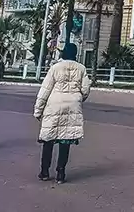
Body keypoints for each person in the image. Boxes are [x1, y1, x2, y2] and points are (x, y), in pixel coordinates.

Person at [35, 42, 91, 184]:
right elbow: (85, 90)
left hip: (54, 105)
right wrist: (77, 98)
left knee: (48, 139)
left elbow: (45, 90)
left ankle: (44, 171)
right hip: (72, 106)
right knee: (65, 140)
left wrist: (38, 110)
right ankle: (61, 173)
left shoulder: (55, 68)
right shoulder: (81, 68)